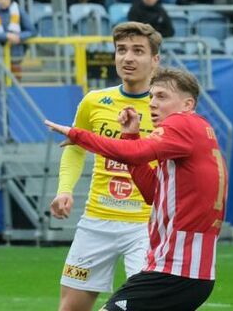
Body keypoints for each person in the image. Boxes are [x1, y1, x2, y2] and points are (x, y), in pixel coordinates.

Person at [44, 67, 225, 311]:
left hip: (174, 269)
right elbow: (152, 193)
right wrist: (131, 137)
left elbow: (136, 153)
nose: (152, 103)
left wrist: (79, 135)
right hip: (186, 270)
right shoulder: (194, 131)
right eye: (151, 96)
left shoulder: (182, 123)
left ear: (187, 104)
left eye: (161, 97)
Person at [50, 23, 159, 311]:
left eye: (138, 51)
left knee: (143, 306)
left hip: (147, 225)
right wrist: (65, 190)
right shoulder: (95, 101)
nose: (128, 58)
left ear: (155, 60)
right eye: (121, 50)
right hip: (97, 220)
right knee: (71, 307)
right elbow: (74, 147)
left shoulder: (164, 108)